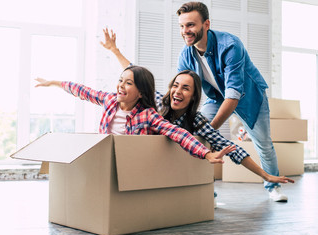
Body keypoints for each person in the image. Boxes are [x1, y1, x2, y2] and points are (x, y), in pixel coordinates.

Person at [100, 28, 295, 206]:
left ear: (194, 96)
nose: (178, 91)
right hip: (149, 165)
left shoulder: (197, 122)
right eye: (175, 86)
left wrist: (266, 175)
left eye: (185, 88)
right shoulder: (159, 101)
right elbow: (136, 76)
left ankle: (206, 191)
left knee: (214, 144)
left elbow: (232, 150)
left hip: (243, 100)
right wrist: (115, 51)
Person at [176, 2, 288, 202]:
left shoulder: (230, 45)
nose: (186, 31)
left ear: (206, 24)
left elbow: (233, 96)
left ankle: (273, 186)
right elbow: (185, 90)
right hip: (215, 98)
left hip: (249, 96)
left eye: (191, 25)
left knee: (263, 143)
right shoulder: (186, 55)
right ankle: (207, 192)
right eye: (182, 26)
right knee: (198, 137)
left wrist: (209, 129)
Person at [34, 65, 236, 164]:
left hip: (129, 163)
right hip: (105, 157)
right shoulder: (110, 100)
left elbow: (178, 133)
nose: (121, 86)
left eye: (128, 83)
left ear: (141, 92)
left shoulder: (148, 115)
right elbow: (83, 91)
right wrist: (54, 83)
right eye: (121, 80)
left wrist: (206, 153)